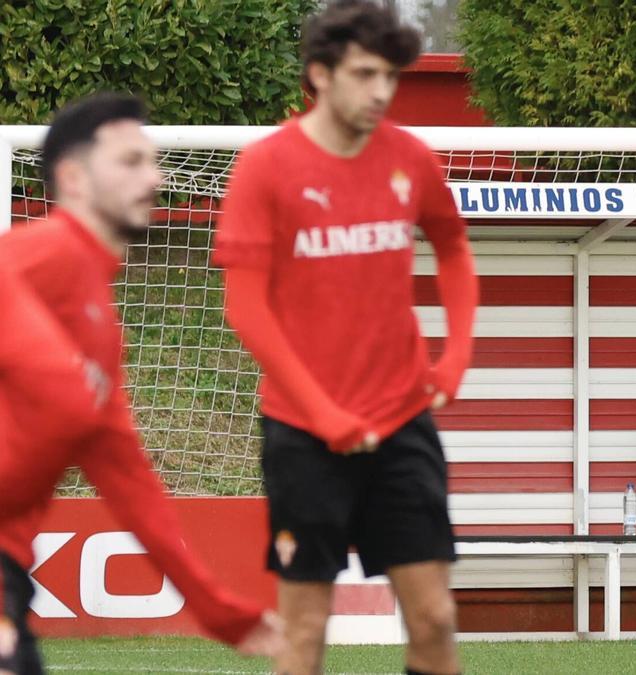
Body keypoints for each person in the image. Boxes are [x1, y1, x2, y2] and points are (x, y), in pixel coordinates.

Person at [213, 2, 478, 673]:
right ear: (320, 75)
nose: (382, 91)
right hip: (304, 433)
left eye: (390, 75)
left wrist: (456, 358)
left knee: (436, 618)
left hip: (401, 423)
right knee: (305, 633)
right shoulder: (265, 168)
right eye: (365, 74)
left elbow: (453, 250)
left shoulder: (411, 158)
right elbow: (245, 309)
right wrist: (324, 411)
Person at [0, 92, 283, 675]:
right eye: (130, 162)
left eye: (151, 161)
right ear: (73, 178)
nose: (153, 176)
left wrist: (219, 611)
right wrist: (57, 372)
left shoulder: (101, 331)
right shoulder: (33, 253)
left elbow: (133, 488)